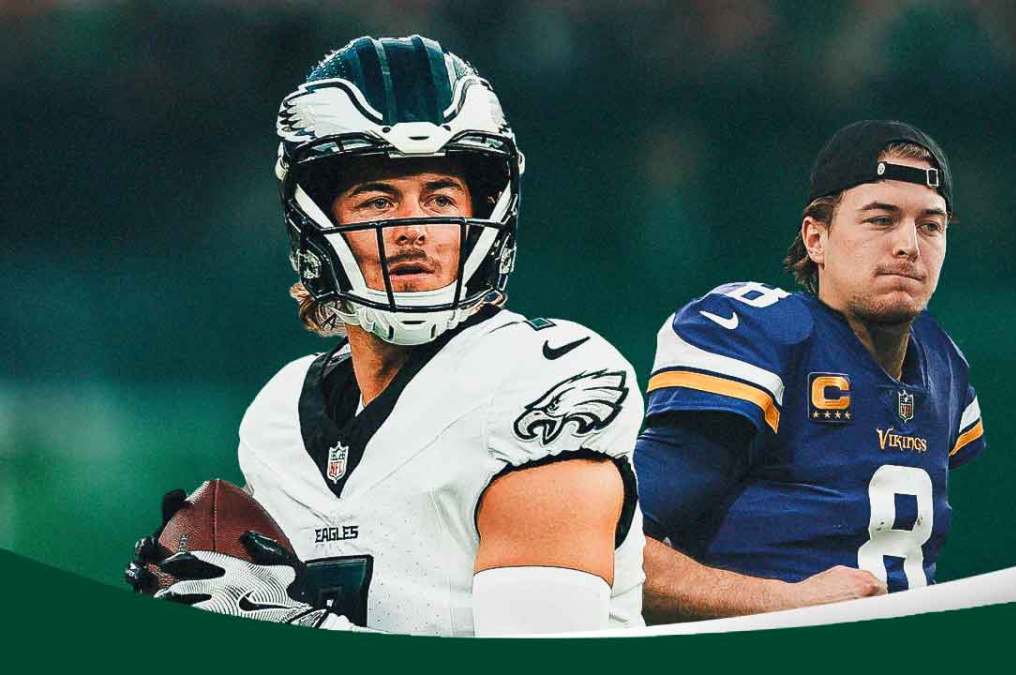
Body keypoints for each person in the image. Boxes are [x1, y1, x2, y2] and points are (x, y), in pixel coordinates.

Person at [125, 35, 645, 637]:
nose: (415, 230)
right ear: (316, 225)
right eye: (378, 202)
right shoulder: (277, 418)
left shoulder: (542, 380)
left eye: (441, 198)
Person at [634, 120, 986, 622]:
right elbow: (600, 546)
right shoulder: (763, 339)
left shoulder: (943, 364)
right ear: (816, 238)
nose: (909, 246)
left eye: (930, 225)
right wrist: (785, 602)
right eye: (881, 220)